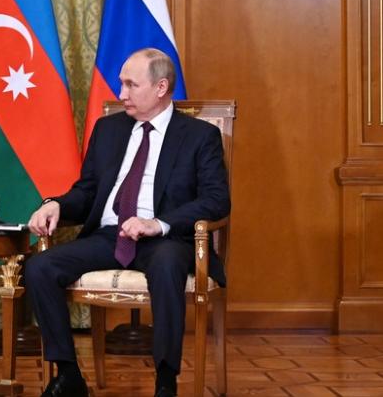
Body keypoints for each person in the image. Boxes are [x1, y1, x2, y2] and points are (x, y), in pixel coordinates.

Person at [26, 48, 230, 397]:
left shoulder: (199, 135)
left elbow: (216, 200)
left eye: (131, 85)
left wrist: (158, 224)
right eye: (121, 84)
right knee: (40, 267)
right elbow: (87, 191)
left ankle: (165, 381)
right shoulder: (108, 129)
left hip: (167, 240)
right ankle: (69, 375)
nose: (121, 94)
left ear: (161, 87)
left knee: (166, 265)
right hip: (110, 235)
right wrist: (55, 204)